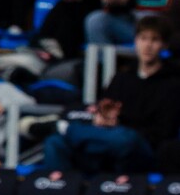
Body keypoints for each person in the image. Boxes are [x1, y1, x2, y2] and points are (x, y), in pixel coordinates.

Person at [44, 15, 180, 174]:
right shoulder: (122, 77)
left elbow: (163, 133)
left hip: (141, 148)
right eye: (143, 38)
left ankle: (67, 129)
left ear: (164, 45)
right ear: (136, 41)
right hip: (107, 139)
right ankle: (64, 187)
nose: (148, 45)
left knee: (125, 138)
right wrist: (104, 118)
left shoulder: (173, 84)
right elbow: (104, 108)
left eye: (154, 40)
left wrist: (119, 124)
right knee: (55, 143)